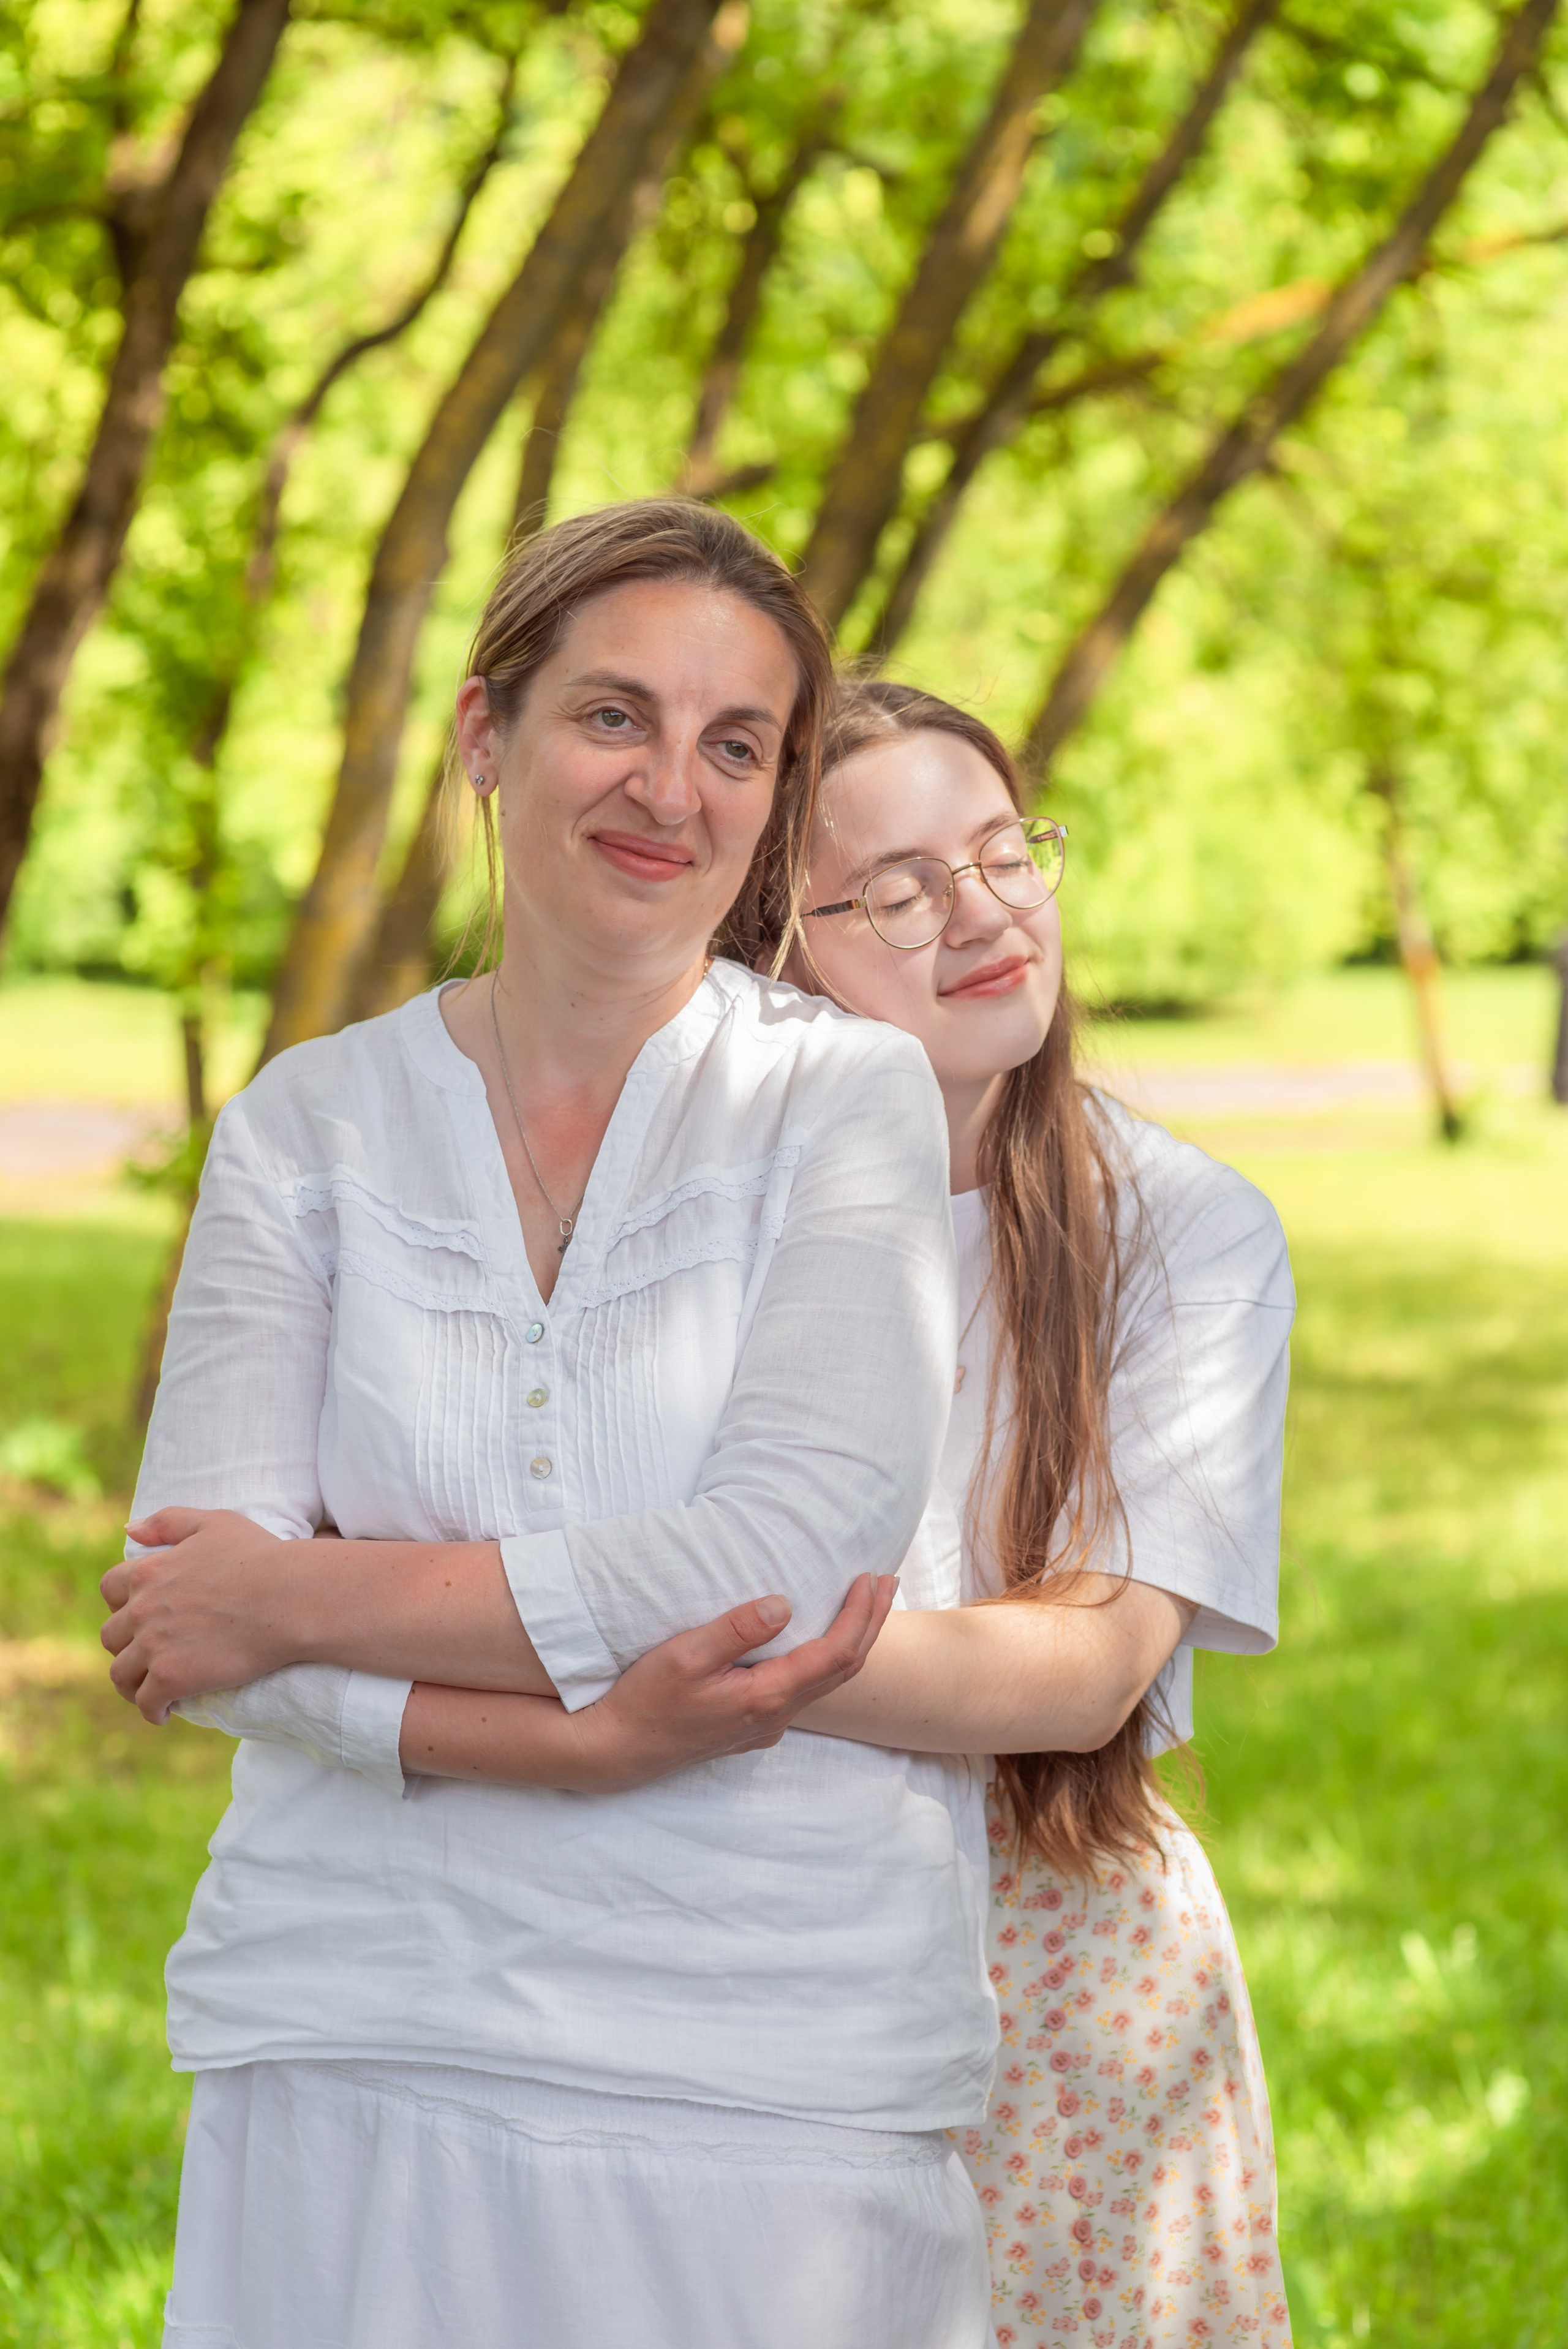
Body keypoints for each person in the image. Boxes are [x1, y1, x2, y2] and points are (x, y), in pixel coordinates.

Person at [103, 503, 998, 2349]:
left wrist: (296, 1596)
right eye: (614, 716)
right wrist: (584, 1744)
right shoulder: (306, 1126)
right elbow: (187, 1619)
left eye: (736, 744)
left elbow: (770, 1570)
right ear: (485, 734)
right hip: (351, 2015)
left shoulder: (846, 1102)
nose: (671, 788)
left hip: (761, 2047)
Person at [788, 679, 1295, 2349]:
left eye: (1007, 853)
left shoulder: (1185, 1229)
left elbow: (1085, 1669)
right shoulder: (698, 1231)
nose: (987, 912)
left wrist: (641, 1652)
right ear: (775, 946)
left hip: (1061, 1948)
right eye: (900, 890)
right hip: (752, 1911)